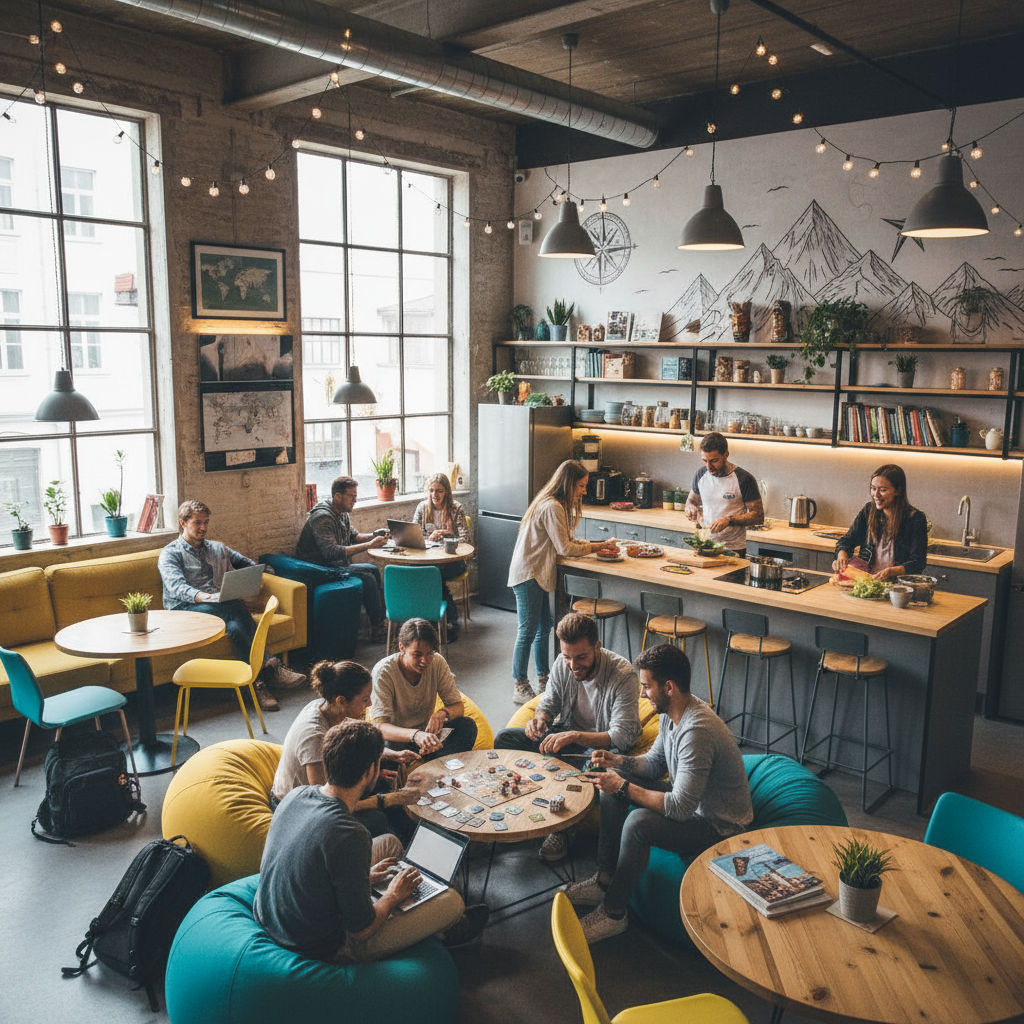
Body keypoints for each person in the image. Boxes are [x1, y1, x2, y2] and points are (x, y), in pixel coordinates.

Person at [561, 643, 753, 944]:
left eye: (646, 686)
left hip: (719, 826)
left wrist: (622, 787)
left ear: (669, 687)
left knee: (637, 822)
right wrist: (616, 762)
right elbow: (654, 764)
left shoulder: (697, 731)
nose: (641, 694)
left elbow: (679, 809)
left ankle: (613, 913)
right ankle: (604, 880)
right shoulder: (670, 711)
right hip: (692, 801)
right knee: (613, 781)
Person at [255, 720, 488, 963]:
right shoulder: (350, 834)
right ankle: (445, 932)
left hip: (272, 917)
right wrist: (392, 896)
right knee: (452, 902)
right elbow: (362, 930)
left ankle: (412, 911)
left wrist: (363, 878)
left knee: (389, 844)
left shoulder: (296, 794)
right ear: (370, 771)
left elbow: (319, 860)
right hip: (318, 945)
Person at [493, 612, 641, 864]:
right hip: (565, 738)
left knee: (594, 770)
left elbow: (622, 736)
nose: (573, 665)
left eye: (581, 657)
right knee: (506, 739)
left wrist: (575, 735)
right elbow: (548, 704)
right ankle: (524, 804)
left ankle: (562, 829)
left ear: (597, 646)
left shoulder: (623, 674)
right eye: (567, 657)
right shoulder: (563, 664)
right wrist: (540, 720)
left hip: (599, 749)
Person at [158, 499, 305, 712]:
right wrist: (206, 597)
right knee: (234, 605)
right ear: (183, 523)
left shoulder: (218, 548)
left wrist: (257, 578)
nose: (203, 527)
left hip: (221, 609)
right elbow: (177, 588)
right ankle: (270, 665)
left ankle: (254, 685)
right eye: (197, 522)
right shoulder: (170, 553)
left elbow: (248, 565)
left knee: (236, 626)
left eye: (206, 522)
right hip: (186, 610)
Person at [507, 459, 618, 706]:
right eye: (581, 486)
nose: (584, 491)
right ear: (568, 484)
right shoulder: (552, 507)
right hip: (529, 573)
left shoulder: (553, 504)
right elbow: (565, 548)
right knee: (528, 630)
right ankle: (520, 684)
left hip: (535, 572)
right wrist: (597, 547)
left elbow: (568, 540)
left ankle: (544, 679)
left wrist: (599, 544)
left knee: (543, 627)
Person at [270, 659, 421, 840]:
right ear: (341, 701)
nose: (370, 704)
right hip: (297, 808)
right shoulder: (314, 736)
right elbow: (325, 803)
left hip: (328, 787)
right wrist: (385, 800)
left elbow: (355, 744)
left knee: (384, 773)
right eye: (364, 699)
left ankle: (410, 836)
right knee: (376, 819)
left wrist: (393, 755)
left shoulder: (330, 708)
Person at [296, 476, 389, 643]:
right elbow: (331, 551)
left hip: (334, 566)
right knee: (367, 579)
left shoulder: (342, 513)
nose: (355, 500)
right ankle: (378, 627)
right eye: (351, 496)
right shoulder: (323, 517)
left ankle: (379, 622)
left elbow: (354, 536)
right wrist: (369, 545)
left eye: (355, 496)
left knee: (373, 570)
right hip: (319, 569)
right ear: (338, 496)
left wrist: (375, 535)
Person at [370, 618, 477, 761]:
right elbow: (380, 727)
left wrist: (442, 713)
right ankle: (435, 762)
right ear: (402, 647)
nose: (425, 661)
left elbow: (458, 707)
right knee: (381, 751)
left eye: (430, 653)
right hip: (399, 739)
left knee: (467, 725)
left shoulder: (437, 662)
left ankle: (433, 764)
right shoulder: (384, 671)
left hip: (427, 735)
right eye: (417, 654)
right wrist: (415, 735)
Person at [833, 463, 928, 581]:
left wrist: (891, 572)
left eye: (883, 490)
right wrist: (842, 555)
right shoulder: (868, 511)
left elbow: (918, 563)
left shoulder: (915, 519)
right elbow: (847, 541)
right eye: (873, 488)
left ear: (898, 490)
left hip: (898, 585)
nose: (876, 495)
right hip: (867, 581)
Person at [684, 432, 764, 554]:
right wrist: (689, 507)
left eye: (714, 461)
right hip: (705, 545)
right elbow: (691, 501)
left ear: (726, 454)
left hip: (732, 548)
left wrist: (729, 520)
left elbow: (758, 516)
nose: (709, 466)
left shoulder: (744, 479)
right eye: (705, 461)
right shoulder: (700, 475)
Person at [413, 473, 469, 641]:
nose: (434, 495)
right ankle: (443, 620)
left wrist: (444, 534)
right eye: (431, 490)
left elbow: (466, 539)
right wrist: (426, 539)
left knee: (432, 575)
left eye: (439, 491)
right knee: (420, 572)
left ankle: (444, 621)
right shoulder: (422, 508)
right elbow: (413, 535)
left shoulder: (455, 508)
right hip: (428, 559)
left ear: (447, 492)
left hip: (454, 561)